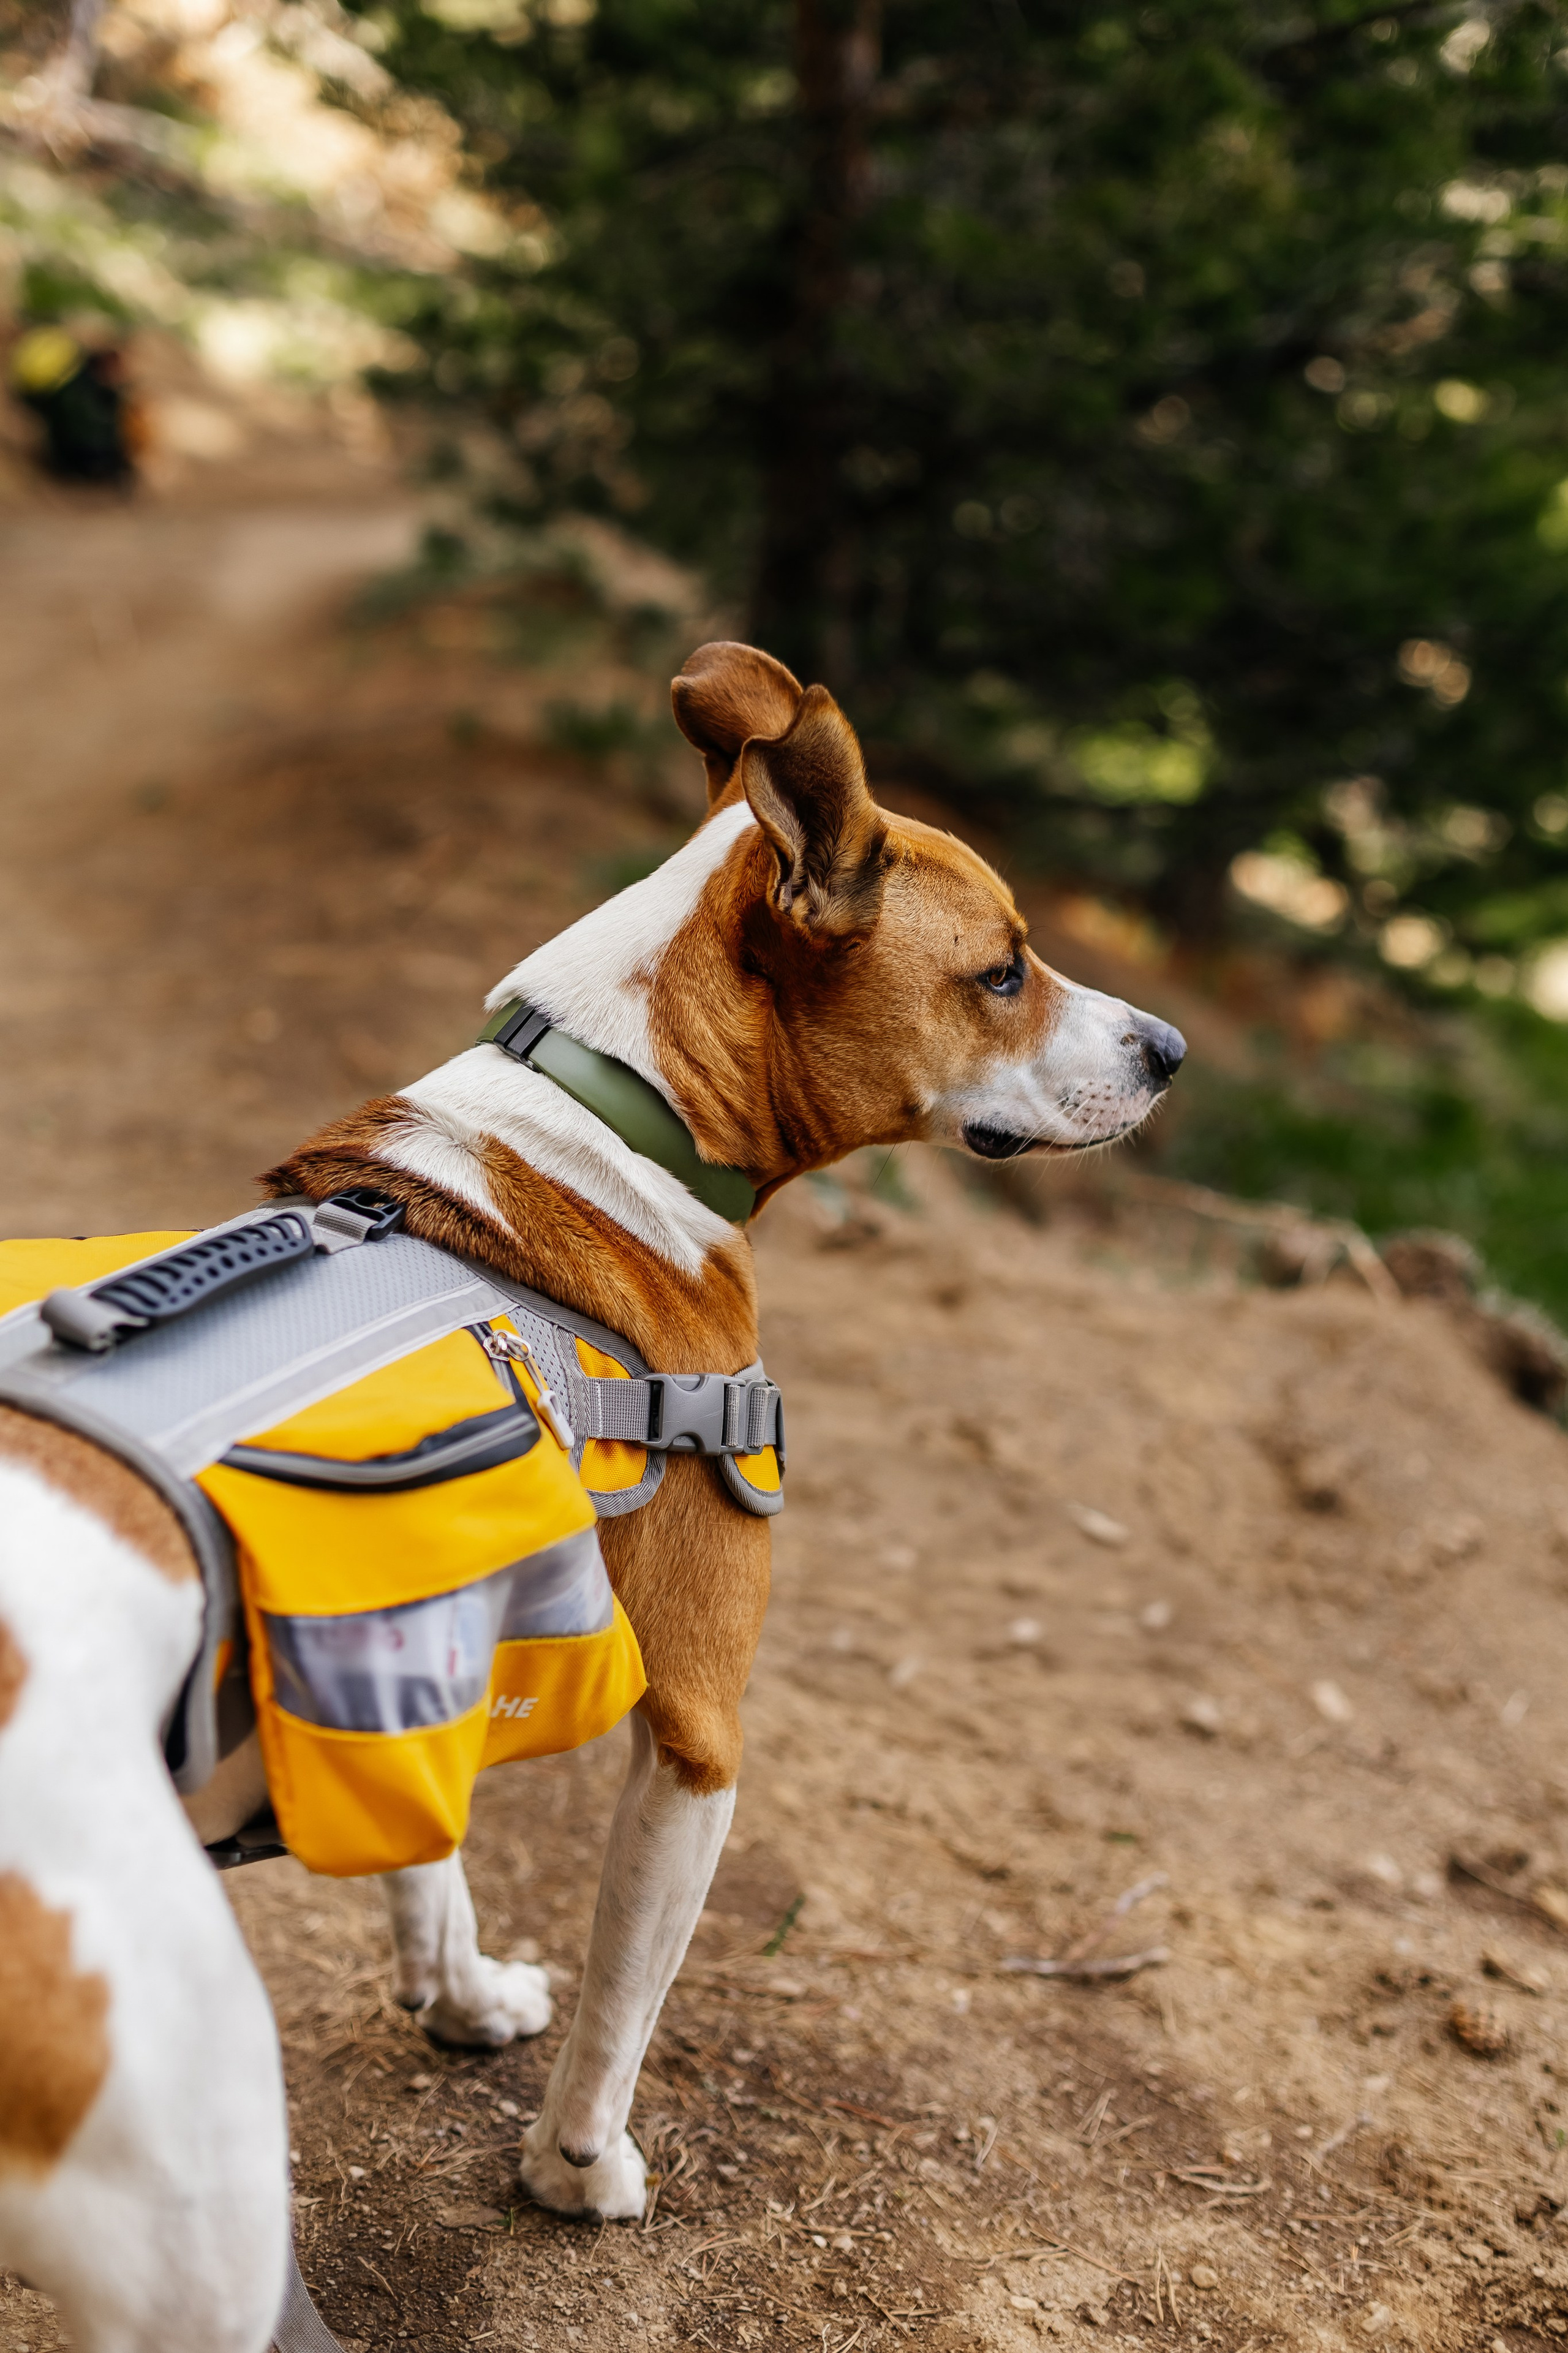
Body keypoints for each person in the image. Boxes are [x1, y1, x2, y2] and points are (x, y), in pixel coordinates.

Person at [9, 323, 135, 484]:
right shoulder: (81, 389)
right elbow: (88, 433)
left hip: (31, 386)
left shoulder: (70, 355)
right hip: (45, 387)